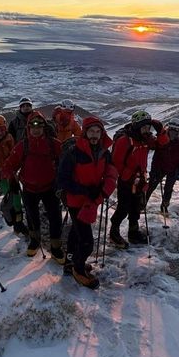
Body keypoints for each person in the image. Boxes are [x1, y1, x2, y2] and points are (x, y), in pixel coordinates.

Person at [57, 117, 117, 289]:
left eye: (98, 132)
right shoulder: (74, 153)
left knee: (76, 233)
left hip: (92, 201)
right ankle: (78, 268)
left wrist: (103, 191)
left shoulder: (104, 152)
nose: (95, 135)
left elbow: (111, 172)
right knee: (87, 241)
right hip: (76, 201)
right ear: (84, 132)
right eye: (91, 131)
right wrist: (85, 190)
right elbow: (62, 180)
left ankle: (71, 262)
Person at [3, 111, 64, 263]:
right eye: (32, 126)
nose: (36, 129)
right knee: (32, 216)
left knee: (55, 217)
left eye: (39, 126)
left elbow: (66, 161)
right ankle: (35, 241)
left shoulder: (53, 144)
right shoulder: (22, 145)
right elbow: (8, 165)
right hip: (29, 188)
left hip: (50, 187)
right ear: (28, 128)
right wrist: (12, 178)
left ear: (44, 127)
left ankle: (56, 246)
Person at [109, 110, 168, 249]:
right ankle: (114, 232)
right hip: (126, 180)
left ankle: (133, 232)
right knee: (123, 207)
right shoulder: (125, 140)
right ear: (136, 127)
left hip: (140, 179)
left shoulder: (146, 139)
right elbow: (116, 163)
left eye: (148, 127)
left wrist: (161, 131)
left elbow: (162, 145)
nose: (147, 130)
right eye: (144, 127)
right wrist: (130, 177)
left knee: (136, 206)